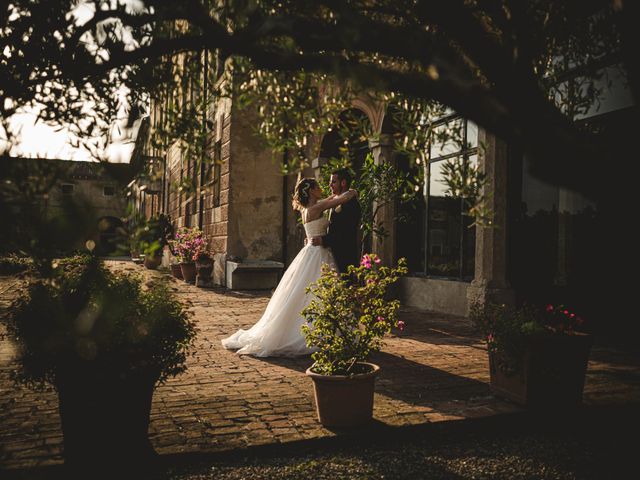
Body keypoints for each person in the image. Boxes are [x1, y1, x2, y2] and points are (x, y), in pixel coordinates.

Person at [221, 177, 357, 357]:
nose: (321, 188)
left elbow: (332, 200)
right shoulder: (315, 208)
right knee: (315, 290)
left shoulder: (310, 207)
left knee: (312, 291)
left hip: (314, 250)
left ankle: (326, 328)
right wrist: (352, 192)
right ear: (310, 191)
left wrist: (341, 195)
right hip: (317, 253)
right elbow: (338, 200)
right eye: (317, 187)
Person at [311, 168, 361, 274]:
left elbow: (346, 233)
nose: (330, 185)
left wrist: (323, 240)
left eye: (333, 182)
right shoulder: (336, 200)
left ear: (343, 183)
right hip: (332, 253)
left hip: (345, 255)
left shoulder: (351, 204)